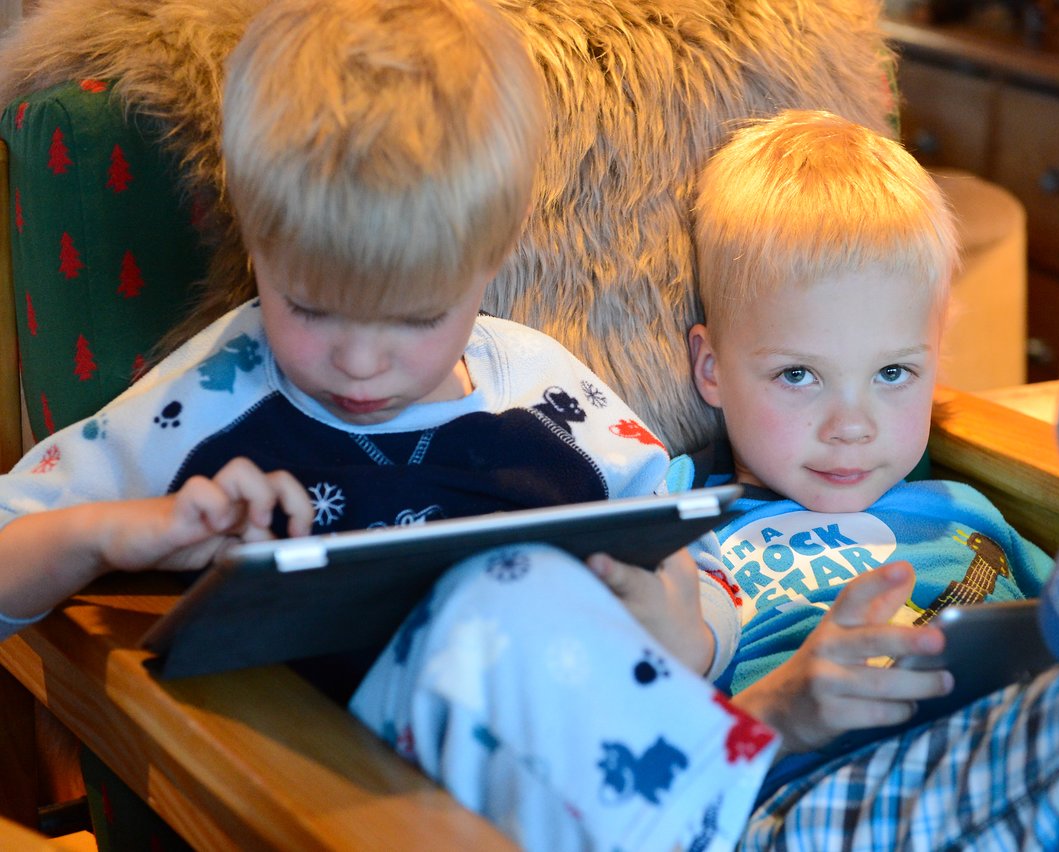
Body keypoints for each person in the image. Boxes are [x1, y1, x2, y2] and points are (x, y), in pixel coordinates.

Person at [0, 1, 779, 849]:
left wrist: (687, 633)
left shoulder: (551, 396)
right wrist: (114, 532)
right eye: (311, 308)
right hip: (337, 801)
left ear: (493, 255)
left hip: (590, 791)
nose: (362, 363)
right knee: (504, 595)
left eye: (415, 317)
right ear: (254, 239)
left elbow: (686, 550)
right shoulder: (211, 400)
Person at [598, 108, 1059, 848]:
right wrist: (782, 708)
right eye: (798, 374)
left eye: (893, 372)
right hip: (822, 802)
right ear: (711, 369)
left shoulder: (965, 509)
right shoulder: (683, 522)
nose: (851, 424)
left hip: (1026, 754)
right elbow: (628, 770)